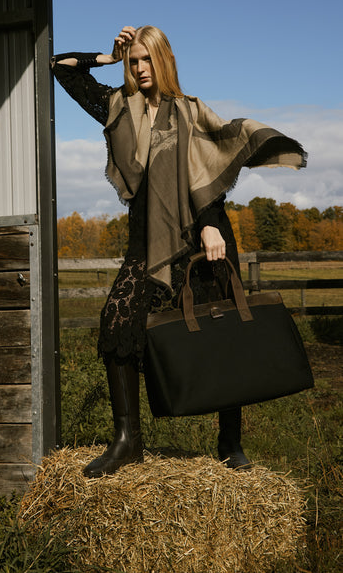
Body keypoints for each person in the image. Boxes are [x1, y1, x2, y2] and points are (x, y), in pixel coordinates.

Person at [52, 25, 307, 478]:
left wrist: (211, 226)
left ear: (163, 60)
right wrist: (107, 57)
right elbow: (60, 67)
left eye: (146, 59)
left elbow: (204, 168)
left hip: (200, 231)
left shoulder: (188, 111)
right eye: (134, 61)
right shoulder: (117, 107)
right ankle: (128, 441)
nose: (139, 68)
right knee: (116, 326)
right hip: (145, 237)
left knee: (221, 332)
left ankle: (230, 441)